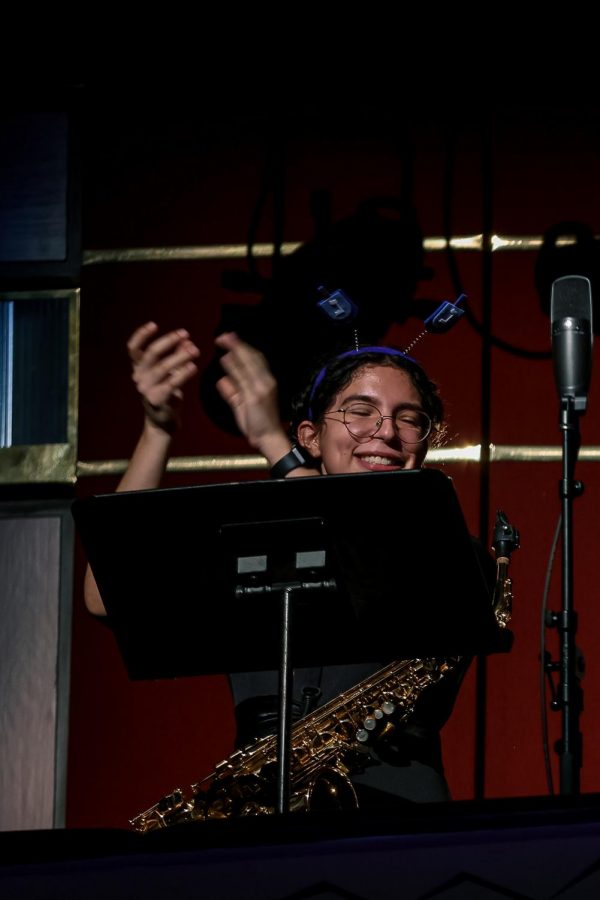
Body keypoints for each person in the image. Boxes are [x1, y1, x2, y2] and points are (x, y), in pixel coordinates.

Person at [84, 320, 496, 810]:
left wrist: (269, 442)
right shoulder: (258, 543)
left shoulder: (450, 549)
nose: (387, 431)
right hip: (260, 815)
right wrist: (157, 429)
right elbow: (104, 594)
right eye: (360, 411)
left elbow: (366, 534)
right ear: (312, 437)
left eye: (409, 419)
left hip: (397, 820)